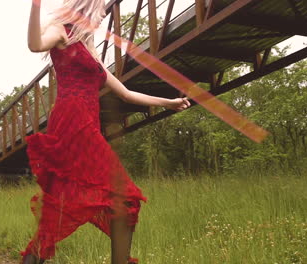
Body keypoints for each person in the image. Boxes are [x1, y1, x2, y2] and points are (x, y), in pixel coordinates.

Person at [21, 0, 190, 263]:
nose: (101, 20)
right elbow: (35, 45)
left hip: (86, 125)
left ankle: (32, 258)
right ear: (86, 10)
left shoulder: (91, 52)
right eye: (99, 14)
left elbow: (127, 93)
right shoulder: (61, 31)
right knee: (125, 196)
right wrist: (35, 6)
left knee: (70, 202)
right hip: (72, 121)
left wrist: (168, 102)